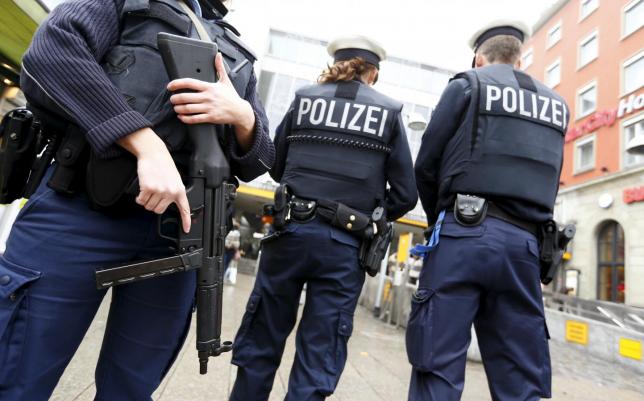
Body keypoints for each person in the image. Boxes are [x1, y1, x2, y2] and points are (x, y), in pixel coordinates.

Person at [0, 0, 273, 400]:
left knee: (132, 388)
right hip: (81, 209)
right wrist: (143, 142)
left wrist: (243, 116)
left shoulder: (235, 50)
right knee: (17, 376)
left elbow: (263, 158)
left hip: (179, 236)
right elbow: (51, 53)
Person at [229, 35, 418, 401]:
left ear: (335, 64)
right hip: (345, 247)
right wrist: (370, 214)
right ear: (373, 73)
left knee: (262, 339)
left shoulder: (303, 100)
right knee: (319, 353)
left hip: (289, 232)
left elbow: (277, 163)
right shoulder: (390, 112)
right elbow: (407, 195)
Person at [407, 21, 569, 401]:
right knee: (519, 377)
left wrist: (439, 224)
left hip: (463, 236)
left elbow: (426, 164)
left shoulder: (467, 84)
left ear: (480, 57)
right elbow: (552, 177)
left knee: (437, 363)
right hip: (526, 248)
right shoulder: (556, 104)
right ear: (519, 56)